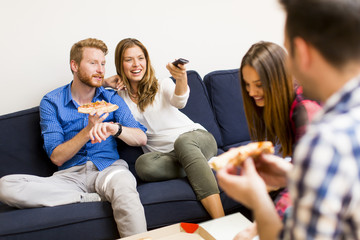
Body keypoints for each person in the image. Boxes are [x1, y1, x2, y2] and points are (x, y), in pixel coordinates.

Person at [217, 0, 360, 239]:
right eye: (248, 86)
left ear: (301, 51)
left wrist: (258, 199)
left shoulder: (322, 135)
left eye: (287, 52)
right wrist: (295, 174)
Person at [0, 38, 148, 237]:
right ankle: (86, 198)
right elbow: (57, 157)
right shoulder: (52, 102)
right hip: (69, 177)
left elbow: (140, 138)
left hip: (108, 169)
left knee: (124, 184)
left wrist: (114, 129)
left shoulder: (111, 98)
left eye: (103, 63)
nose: (100, 69)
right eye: (93, 63)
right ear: (74, 65)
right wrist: (88, 130)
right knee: (6, 186)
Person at [103, 38, 225, 219]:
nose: (136, 64)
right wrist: (104, 82)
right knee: (143, 165)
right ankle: (196, 165)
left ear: (147, 61)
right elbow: (87, 95)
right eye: (129, 60)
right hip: (167, 156)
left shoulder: (162, 84)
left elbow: (180, 101)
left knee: (183, 143)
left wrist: (181, 78)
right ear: (120, 65)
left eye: (140, 58)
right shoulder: (118, 98)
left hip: (196, 139)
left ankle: (221, 220)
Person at [232, 41, 321, 240]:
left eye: (259, 85)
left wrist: (255, 229)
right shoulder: (290, 106)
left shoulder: (304, 111)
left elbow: (303, 184)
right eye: (247, 85)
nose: (251, 93)